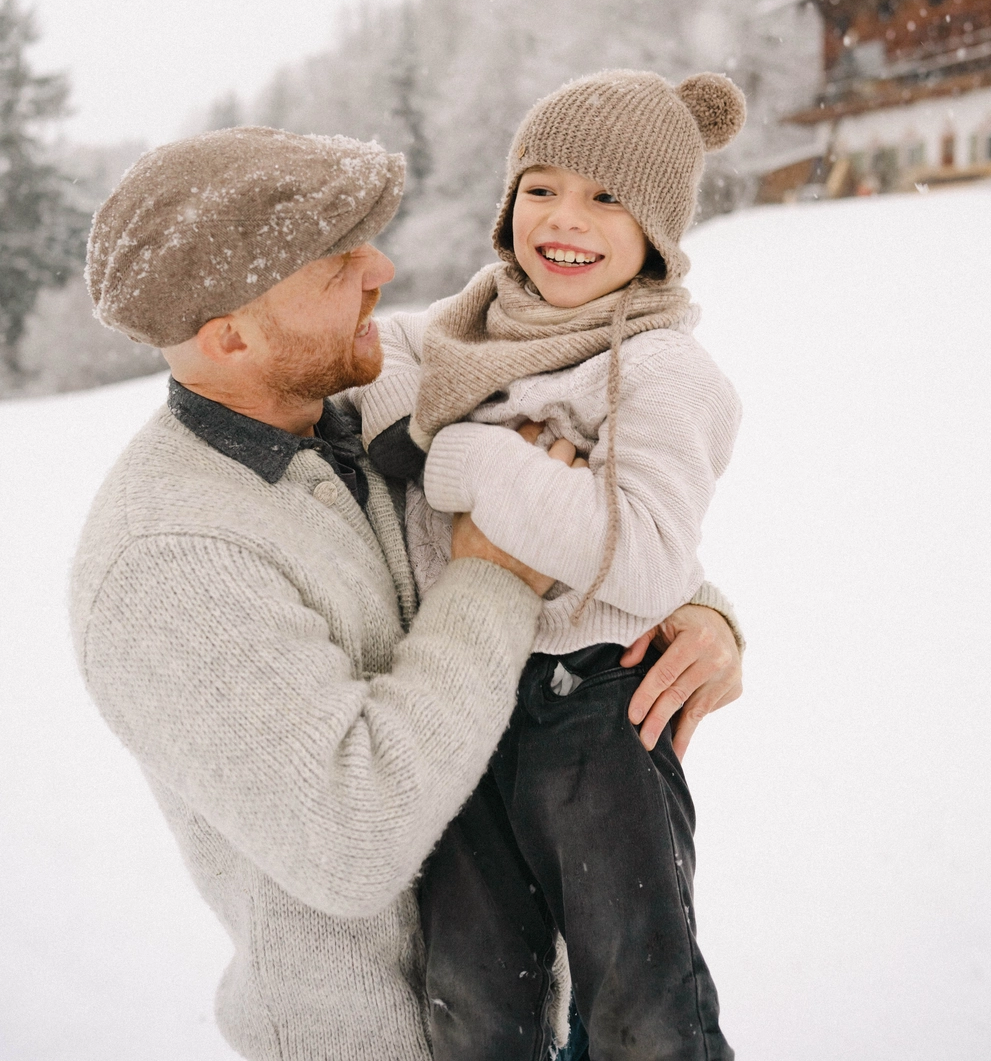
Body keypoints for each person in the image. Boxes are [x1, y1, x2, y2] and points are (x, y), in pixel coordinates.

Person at [70, 123, 743, 1061]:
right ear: (230, 335)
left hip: (537, 1010)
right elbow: (355, 837)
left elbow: (587, 504)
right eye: (339, 262)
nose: (382, 267)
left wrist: (699, 606)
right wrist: (495, 577)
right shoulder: (167, 565)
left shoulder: (353, 411)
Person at [353, 69, 745, 1060]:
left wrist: (463, 457)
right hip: (464, 695)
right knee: (476, 1000)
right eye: (541, 187)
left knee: (636, 1001)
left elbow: (648, 558)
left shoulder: (662, 370)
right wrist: (437, 433)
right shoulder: (470, 324)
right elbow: (383, 352)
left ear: (656, 224)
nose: (564, 219)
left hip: (594, 712)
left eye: (607, 196)